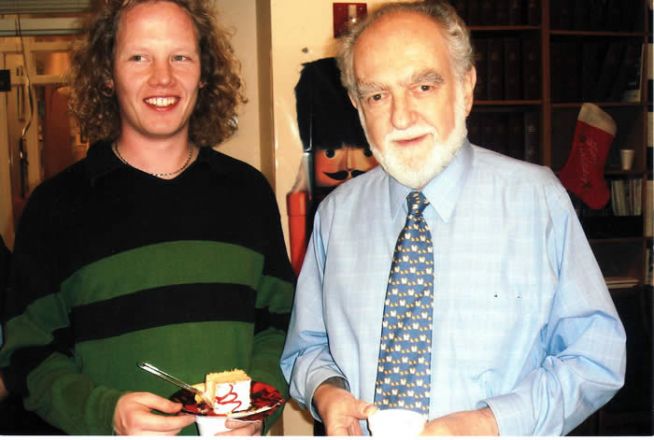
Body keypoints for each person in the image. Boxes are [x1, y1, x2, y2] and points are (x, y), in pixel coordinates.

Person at [280, 1, 626, 436]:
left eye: (423, 86)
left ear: (465, 87)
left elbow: (596, 356)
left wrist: (491, 423)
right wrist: (327, 392)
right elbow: (307, 348)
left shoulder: (537, 201)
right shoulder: (335, 216)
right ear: (356, 104)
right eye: (377, 95)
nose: (400, 116)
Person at [0, 0, 294, 436]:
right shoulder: (54, 207)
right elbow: (28, 356)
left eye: (180, 56)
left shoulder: (248, 192)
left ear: (204, 72)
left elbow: (281, 328)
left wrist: (258, 404)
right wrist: (105, 413)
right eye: (139, 57)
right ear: (107, 73)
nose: (163, 77)